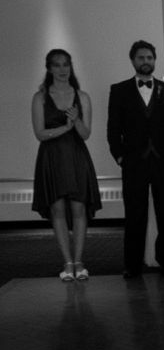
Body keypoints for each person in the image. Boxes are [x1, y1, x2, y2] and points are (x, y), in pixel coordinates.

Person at [107, 40, 164, 278]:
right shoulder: (119, 90)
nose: (146, 62)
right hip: (133, 162)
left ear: (154, 60)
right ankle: (133, 264)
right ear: (133, 61)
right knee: (135, 215)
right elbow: (113, 128)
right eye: (141, 58)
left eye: (149, 57)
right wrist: (119, 156)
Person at [32, 49, 101, 281]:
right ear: (49, 68)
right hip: (51, 158)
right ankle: (67, 263)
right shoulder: (40, 97)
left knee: (79, 209)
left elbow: (86, 134)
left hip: (76, 156)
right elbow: (40, 134)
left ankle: (79, 261)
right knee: (57, 210)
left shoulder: (82, 96)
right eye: (57, 65)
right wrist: (64, 128)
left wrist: (76, 121)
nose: (62, 69)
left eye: (66, 65)